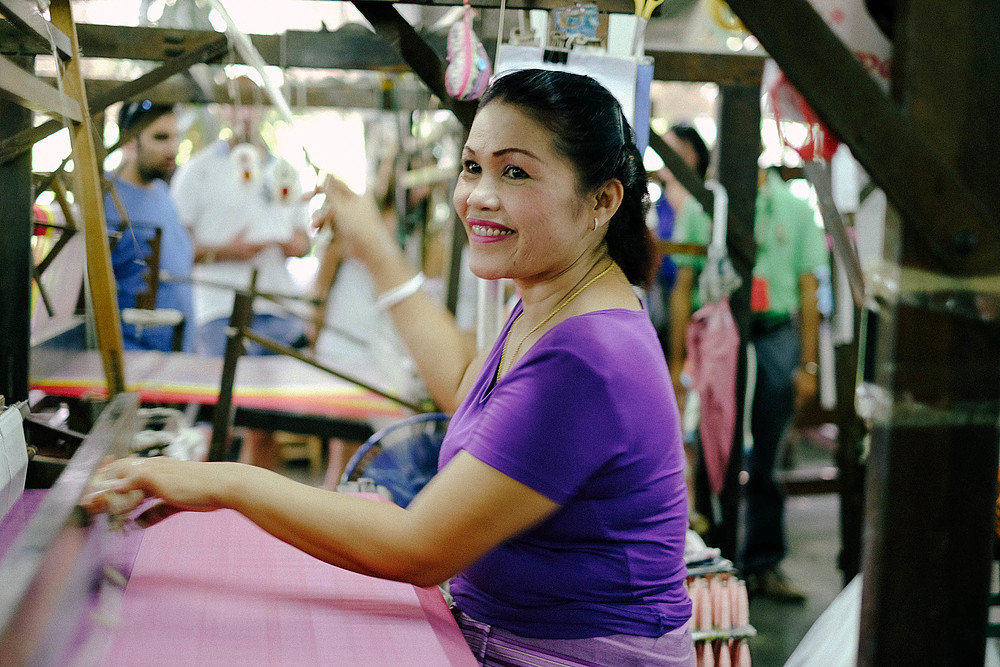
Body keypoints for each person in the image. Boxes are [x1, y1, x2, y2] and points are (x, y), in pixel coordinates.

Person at [88, 69, 695, 666]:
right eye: (472, 166)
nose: (479, 194)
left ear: (602, 201)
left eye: (515, 172)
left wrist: (218, 482)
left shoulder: (587, 356)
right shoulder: (553, 300)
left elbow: (417, 548)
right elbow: (465, 385)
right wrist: (373, 244)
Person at [669, 164, 828, 602]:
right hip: (720, 334)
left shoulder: (795, 208)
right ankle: (709, 564)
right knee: (709, 446)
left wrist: (808, 366)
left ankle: (763, 563)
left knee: (769, 454)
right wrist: (678, 358)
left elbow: (808, 287)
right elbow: (683, 284)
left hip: (774, 334)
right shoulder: (707, 207)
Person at [170, 92, 311, 469]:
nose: (244, 112)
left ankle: (258, 513)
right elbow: (177, 248)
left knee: (265, 425)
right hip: (219, 309)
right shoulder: (197, 170)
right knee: (219, 420)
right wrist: (228, 251)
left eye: (253, 102)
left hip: (278, 307)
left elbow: (302, 241)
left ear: (264, 108)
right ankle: (194, 509)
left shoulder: (284, 170)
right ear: (222, 107)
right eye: (236, 102)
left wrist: (282, 242)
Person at [105, 100, 196, 352]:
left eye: (175, 137)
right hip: (133, 356)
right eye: (160, 137)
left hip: (177, 358)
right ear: (130, 142)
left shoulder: (163, 193)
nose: (172, 148)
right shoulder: (105, 201)